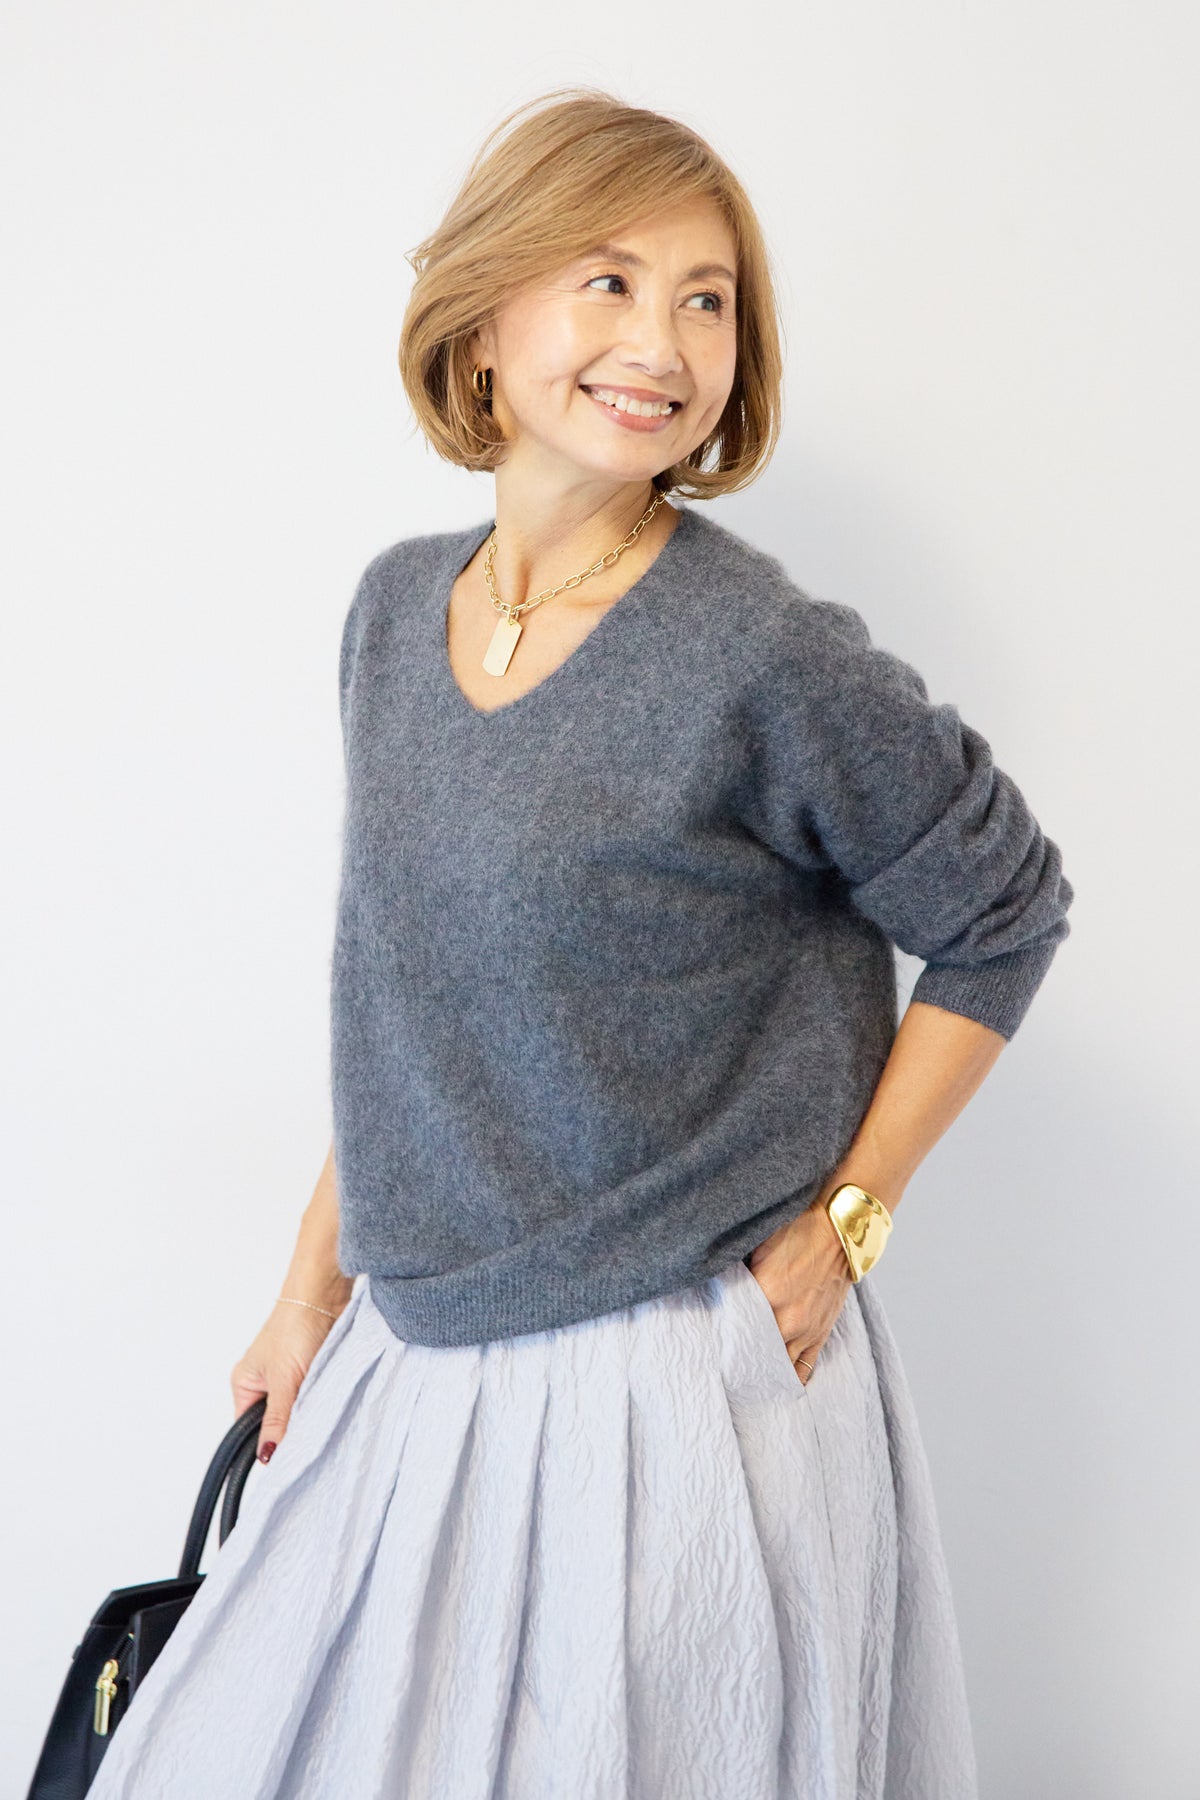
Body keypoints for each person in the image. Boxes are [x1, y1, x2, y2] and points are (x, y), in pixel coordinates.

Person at [83, 86, 1073, 1800]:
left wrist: (847, 1226)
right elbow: (406, 1000)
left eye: (707, 299)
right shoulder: (395, 613)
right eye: (608, 280)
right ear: (483, 318)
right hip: (420, 1360)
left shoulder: (761, 653)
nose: (664, 344)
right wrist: (307, 1297)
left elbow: (1006, 911)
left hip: (677, 1385)